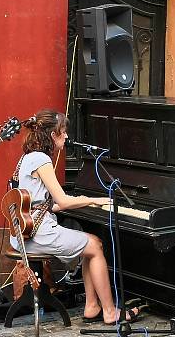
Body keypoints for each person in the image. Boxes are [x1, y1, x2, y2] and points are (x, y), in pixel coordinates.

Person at [11, 109, 140, 325]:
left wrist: (78, 202)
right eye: (63, 132)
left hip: (27, 232)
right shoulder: (41, 159)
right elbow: (62, 201)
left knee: (90, 245)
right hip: (38, 235)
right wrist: (94, 200)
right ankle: (109, 311)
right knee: (95, 246)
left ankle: (91, 306)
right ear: (53, 135)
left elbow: (46, 205)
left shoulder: (28, 157)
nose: (67, 136)